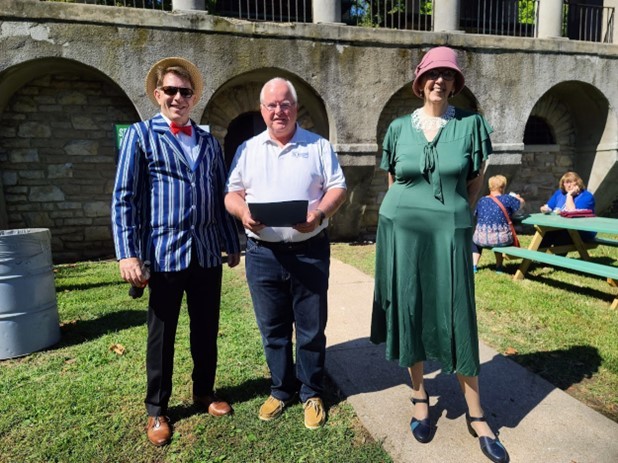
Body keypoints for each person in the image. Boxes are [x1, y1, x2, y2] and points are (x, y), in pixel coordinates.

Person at [371, 47, 509, 463]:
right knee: (410, 308)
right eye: (433, 74)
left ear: (455, 83)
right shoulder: (398, 127)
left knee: (456, 313)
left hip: (449, 232)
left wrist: (453, 216)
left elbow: (474, 183)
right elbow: (395, 180)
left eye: (447, 75)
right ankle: (419, 396)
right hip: (401, 231)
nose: (439, 81)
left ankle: (477, 413)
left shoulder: (471, 126)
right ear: (420, 80)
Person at [111, 57, 241, 447]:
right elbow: (124, 198)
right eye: (170, 90)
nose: (178, 98)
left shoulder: (208, 142)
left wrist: (231, 244)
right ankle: (157, 409)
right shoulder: (140, 135)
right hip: (163, 255)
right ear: (157, 94)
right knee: (161, 336)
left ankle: (204, 391)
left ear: (194, 97)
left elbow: (221, 196)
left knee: (206, 329)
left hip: (204, 254)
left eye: (185, 92)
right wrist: (127, 254)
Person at [225, 77, 347, 430]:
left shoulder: (318, 146)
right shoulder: (247, 149)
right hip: (262, 254)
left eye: (285, 103)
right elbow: (231, 193)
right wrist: (243, 213)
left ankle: (311, 392)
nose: (279, 111)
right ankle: (281, 390)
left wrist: (319, 213)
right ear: (262, 110)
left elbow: (338, 187)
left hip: (309, 251)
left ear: (295, 108)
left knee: (311, 329)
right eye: (271, 105)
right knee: (273, 329)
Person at [472, 175, 524, 273]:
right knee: (498, 237)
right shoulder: (508, 199)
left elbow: (476, 214)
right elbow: (520, 205)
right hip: (502, 239)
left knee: (475, 243)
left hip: (481, 238)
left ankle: (474, 265)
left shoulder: (482, 200)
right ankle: (499, 267)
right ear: (502, 187)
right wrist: (518, 198)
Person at [539, 171, 596, 245]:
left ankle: (556, 256)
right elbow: (548, 207)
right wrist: (544, 209)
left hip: (581, 230)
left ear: (578, 183)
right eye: (566, 182)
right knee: (545, 234)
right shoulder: (559, 193)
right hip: (561, 228)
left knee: (560, 237)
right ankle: (534, 256)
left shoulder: (586, 196)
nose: (568, 185)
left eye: (571, 182)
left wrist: (570, 195)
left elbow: (572, 213)